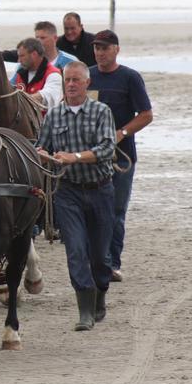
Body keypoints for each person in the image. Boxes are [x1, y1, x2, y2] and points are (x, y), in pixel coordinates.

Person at [36, 61, 116, 330]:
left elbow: (106, 149)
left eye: (75, 80)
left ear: (86, 83)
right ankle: (84, 312)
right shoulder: (54, 115)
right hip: (67, 193)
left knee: (100, 255)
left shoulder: (102, 112)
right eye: (67, 80)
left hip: (101, 190)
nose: (70, 85)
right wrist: (43, 155)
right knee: (76, 250)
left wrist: (75, 157)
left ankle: (100, 295)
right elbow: (41, 146)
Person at [88, 29, 153, 283]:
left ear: (116, 49)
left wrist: (122, 132)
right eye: (96, 48)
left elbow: (146, 114)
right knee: (91, 209)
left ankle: (112, 263)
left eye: (104, 48)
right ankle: (95, 260)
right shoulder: (87, 76)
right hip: (90, 155)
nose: (100, 52)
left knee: (115, 210)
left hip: (121, 157)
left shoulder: (129, 78)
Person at [11, 37, 63, 110]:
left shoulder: (54, 75)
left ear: (34, 54)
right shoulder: (20, 73)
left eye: (22, 56)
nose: (19, 60)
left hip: (45, 120)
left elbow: (48, 95)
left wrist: (21, 102)